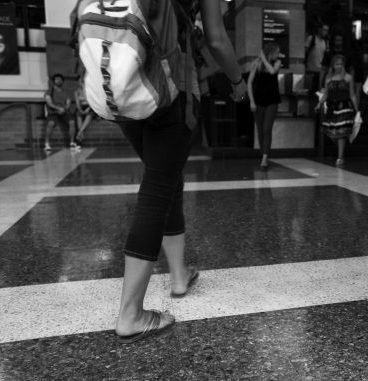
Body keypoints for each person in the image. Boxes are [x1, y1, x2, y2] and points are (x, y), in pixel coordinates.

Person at [113, 0, 247, 344]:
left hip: (124, 85)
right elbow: (217, 38)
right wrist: (237, 80)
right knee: (158, 187)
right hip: (171, 86)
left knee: (167, 177)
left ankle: (178, 276)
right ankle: (130, 314)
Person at [317, 54, 357, 166]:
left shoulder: (348, 77)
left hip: (344, 107)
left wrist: (357, 109)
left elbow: (352, 95)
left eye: (341, 64)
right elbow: (325, 94)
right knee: (331, 133)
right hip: (331, 107)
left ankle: (340, 157)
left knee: (341, 134)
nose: (339, 66)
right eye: (337, 64)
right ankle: (341, 151)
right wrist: (319, 104)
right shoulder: (328, 78)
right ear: (333, 65)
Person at [247, 42, 282, 169]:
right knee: (260, 131)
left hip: (272, 101)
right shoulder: (257, 64)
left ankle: (264, 158)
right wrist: (251, 101)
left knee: (267, 129)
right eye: (277, 52)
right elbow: (249, 83)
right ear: (270, 53)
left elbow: (272, 72)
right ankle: (264, 154)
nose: (278, 55)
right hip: (258, 101)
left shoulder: (277, 63)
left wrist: (263, 58)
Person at [43, 73, 77, 151]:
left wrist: (64, 109)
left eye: (60, 79)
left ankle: (72, 143)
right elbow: (49, 103)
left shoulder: (66, 92)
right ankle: (47, 144)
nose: (59, 81)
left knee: (72, 122)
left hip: (64, 111)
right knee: (51, 124)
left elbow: (68, 103)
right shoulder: (49, 91)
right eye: (57, 79)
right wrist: (58, 109)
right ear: (53, 81)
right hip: (53, 111)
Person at [305, 23, 330, 95]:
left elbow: (326, 55)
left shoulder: (326, 42)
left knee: (320, 92)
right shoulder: (311, 38)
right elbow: (305, 52)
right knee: (310, 92)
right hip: (311, 69)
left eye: (327, 30)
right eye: (324, 30)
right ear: (320, 30)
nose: (326, 32)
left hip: (321, 71)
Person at [74, 77, 95, 149]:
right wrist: (80, 110)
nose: (81, 82)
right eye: (80, 81)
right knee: (78, 115)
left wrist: (88, 108)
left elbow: (92, 101)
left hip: (90, 107)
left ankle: (79, 134)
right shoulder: (77, 91)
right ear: (78, 82)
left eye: (82, 81)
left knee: (90, 114)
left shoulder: (89, 90)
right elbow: (77, 103)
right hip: (81, 107)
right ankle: (81, 135)